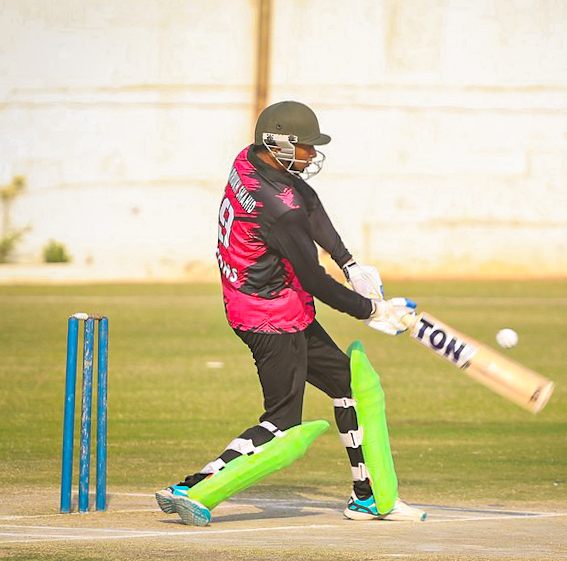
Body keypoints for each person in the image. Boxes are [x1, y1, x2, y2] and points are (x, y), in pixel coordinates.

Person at [156, 101, 426, 526]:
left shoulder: (249, 161)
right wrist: (371, 310)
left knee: (351, 385)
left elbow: (308, 202)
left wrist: (350, 264)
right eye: (305, 146)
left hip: (274, 304)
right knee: (282, 425)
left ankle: (368, 496)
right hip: (268, 318)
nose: (312, 154)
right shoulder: (277, 210)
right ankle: (193, 488)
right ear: (278, 143)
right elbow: (313, 279)